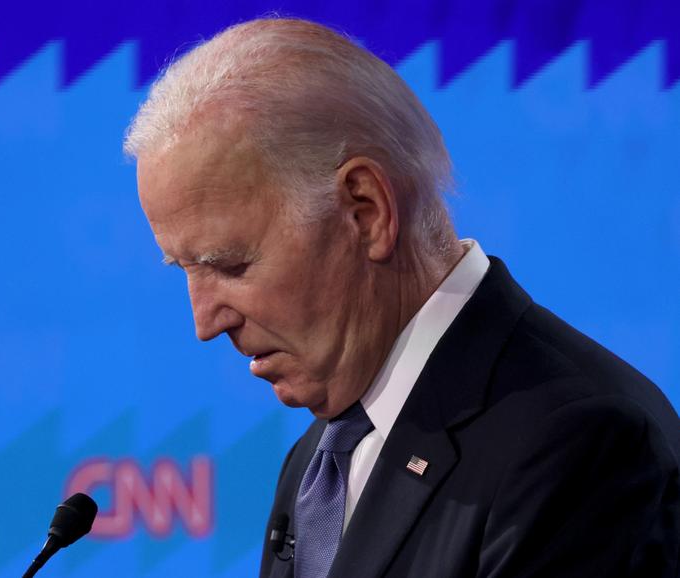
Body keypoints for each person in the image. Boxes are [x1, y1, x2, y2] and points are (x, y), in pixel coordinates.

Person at [124, 17, 680, 578]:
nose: (204, 321)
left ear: (365, 212)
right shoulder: (319, 459)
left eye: (230, 264)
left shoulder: (582, 443)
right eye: (184, 269)